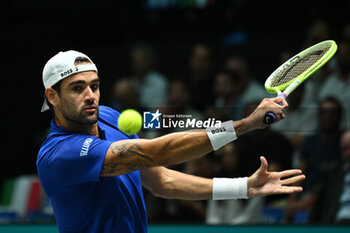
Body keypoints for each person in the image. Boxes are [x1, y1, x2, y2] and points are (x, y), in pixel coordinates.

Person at [37, 50, 305, 233]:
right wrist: (245, 125)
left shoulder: (107, 116)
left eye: (94, 86)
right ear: (52, 96)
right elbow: (159, 151)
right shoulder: (60, 155)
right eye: (77, 88)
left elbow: (162, 181)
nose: (90, 95)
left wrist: (242, 187)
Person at [309, 129, 350, 223]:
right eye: (344, 149)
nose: (348, 153)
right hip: (337, 224)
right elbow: (318, 208)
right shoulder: (330, 173)